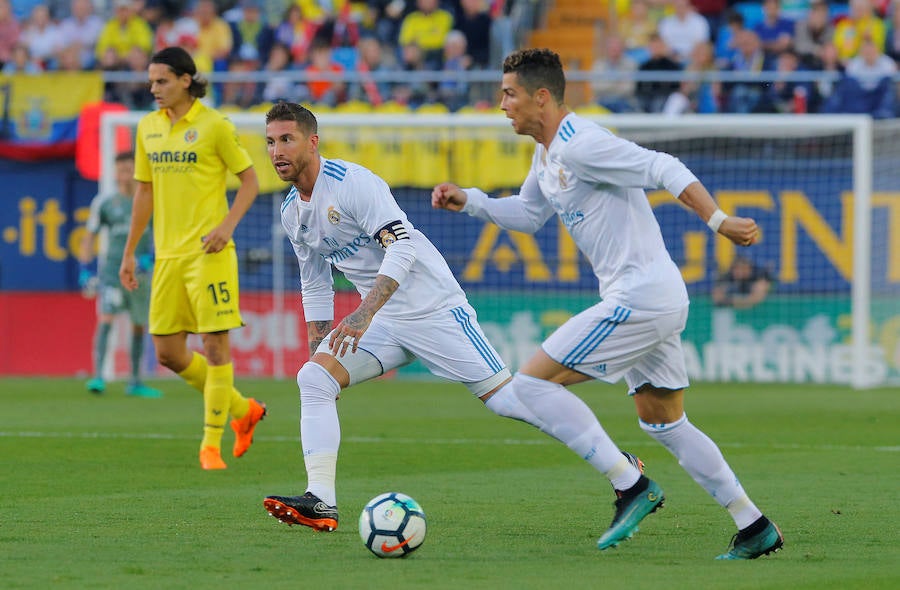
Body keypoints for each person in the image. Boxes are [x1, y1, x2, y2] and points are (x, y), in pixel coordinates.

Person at [431, 48, 783, 560]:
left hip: (639, 296)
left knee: (529, 383)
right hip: (652, 298)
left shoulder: (582, 145)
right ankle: (753, 526)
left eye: (509, 93)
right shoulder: (547, 153)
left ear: (542, 97)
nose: (502, 104)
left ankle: (630, 484)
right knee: (663, 422)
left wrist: (718, 221)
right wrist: (471, 200)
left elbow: (663, 166)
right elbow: (529, 214)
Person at [259, 101, 644, 533]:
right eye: (271, 142)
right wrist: (322, 353)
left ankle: (623, 471)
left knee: (509, 400)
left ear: (312, 141)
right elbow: (314, 283)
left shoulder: (352, 184)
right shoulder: (292, 211)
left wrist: (364, 314)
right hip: (384, 318)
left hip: (432, 307)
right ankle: (321, 502)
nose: (277, 151)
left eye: (287, 139)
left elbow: (401, 247)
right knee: (314, 379)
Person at [119, 46, 266, 471]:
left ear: (186, 80)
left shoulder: (214, 125)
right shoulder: (147, 128)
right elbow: (143, 192)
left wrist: (227, 227)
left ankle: (210, 445)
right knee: (167, 354)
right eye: (151, 82)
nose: (154, 89)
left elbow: (251, 181)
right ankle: (244, 409)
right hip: (166, 256)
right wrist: (130, 252)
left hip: (210, 253)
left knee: (215, 346)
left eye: (161, 81)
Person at [78, 150, 162, 399]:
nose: (125, 175)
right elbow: (89, 236)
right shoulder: (104, 202)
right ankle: (99, 376)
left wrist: (151, 258)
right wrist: (85, 270)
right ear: (115, 173)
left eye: (129, 170)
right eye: (121, 170)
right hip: (112, 272)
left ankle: (135, 380)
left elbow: (163, 234)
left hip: (140, 274)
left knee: (138, 324)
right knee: (106, 319)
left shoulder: (149, 200)